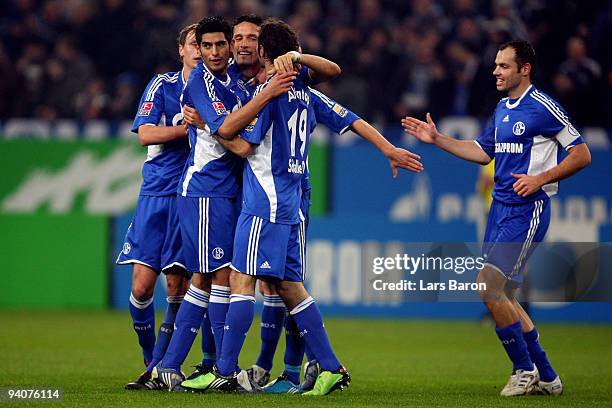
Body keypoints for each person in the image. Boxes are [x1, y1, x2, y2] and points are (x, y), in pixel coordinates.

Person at [402, 39, 591, 396]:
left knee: (488, 287)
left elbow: (582, 154)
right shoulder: (503, 108)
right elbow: (481, 150)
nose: (496, 72)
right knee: (505, 295)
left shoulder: (543, 108)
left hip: (528, 210)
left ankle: (524, 369)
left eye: (504, 66)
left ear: (525, 69)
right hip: (499, 210)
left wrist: (541, 179)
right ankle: (548, 376)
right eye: (495, 65)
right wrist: (438, 139)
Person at [180, 18, 350, 396]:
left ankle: (228, 370)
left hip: (266, 198)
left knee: (242, 280)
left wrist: (216, 125)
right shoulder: (293, 86)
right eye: (235, 38)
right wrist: (388, 148)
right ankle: (330, 367)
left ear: (261, 50)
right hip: (284, 198)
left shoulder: (274, 89)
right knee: (289, 287)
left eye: (249, 39)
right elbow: (339, 86)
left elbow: (236, 138)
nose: (240, 45)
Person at [151, 16, 295, 391]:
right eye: (206, 46)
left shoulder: (235, 79)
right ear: (197, 48)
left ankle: (172, 365)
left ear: (229, 45)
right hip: (203, 192)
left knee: (207, 277)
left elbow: (242, 139)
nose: (214, 53)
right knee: (222, 277)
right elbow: (232, 131)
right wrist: (265, 95)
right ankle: (219, 369)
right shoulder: (201, 82)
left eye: (221, 45)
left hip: (228, 191)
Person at [117, 23, 203, 391]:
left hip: (193, 196)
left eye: (209, 45)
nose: (201, 51)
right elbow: (146, 134)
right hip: (156, 192)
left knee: (177, 282)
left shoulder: (221, 89)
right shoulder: (163, 86)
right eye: (195, 44)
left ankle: (162, 366)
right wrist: (190, 129)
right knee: (140, 286)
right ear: (181, 49)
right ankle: (150, 357)